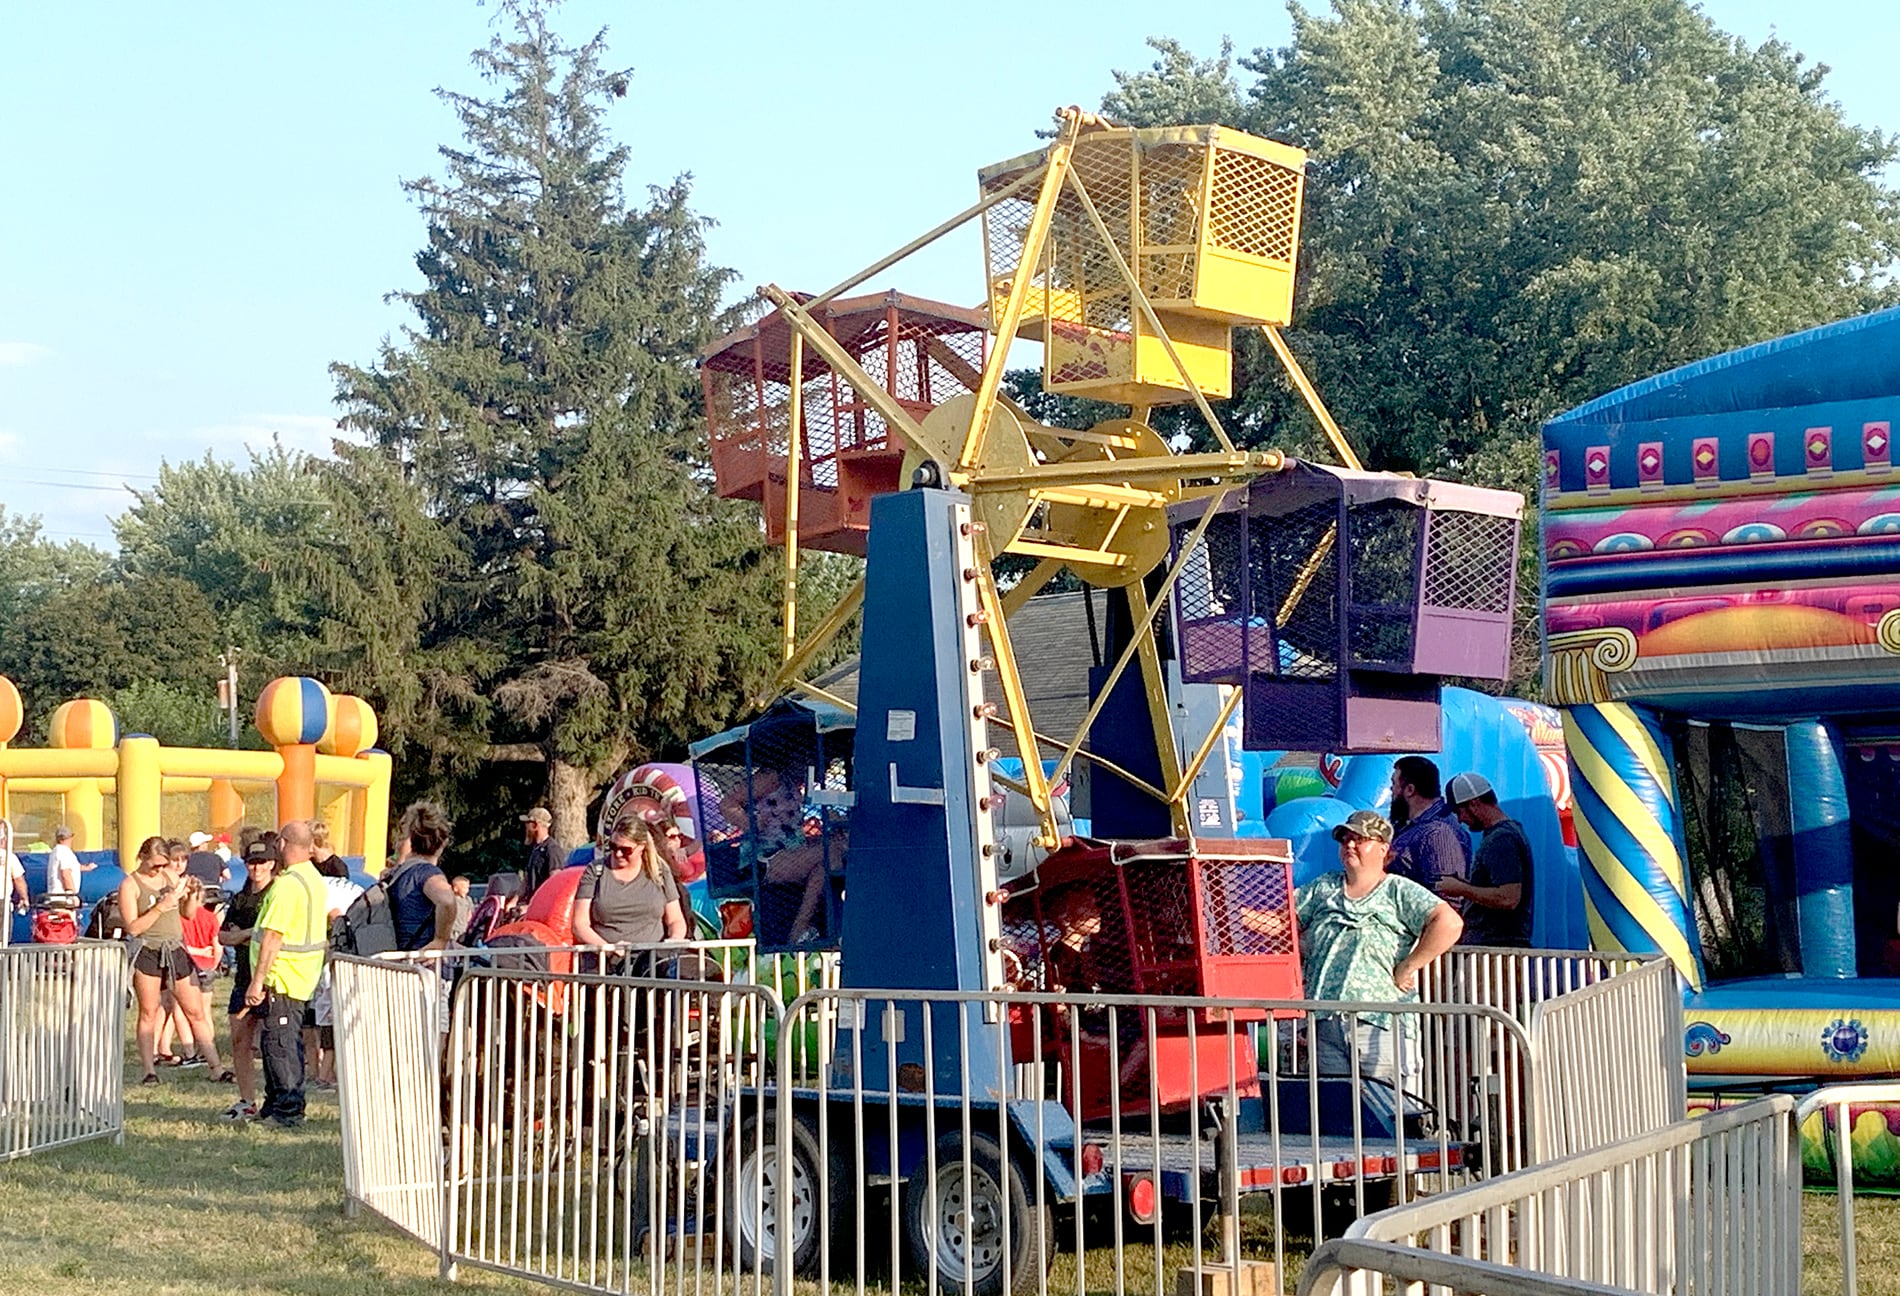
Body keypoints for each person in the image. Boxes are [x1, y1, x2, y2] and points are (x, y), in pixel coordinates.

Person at [1293, 810, 1463, 1085]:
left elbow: (1449, 922)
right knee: (1337, 1115)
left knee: (1389, 1110)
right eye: (1345, 839)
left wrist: (1410, 965)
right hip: (1326, 1022)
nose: (1349, 845)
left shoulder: (1398, 890)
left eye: (1359, 839)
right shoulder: (1322, 887)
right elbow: (1281, 920)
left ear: (1383, 848)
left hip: (1380, 1022)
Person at [119, 836, 228, 1086]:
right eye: (155, 865)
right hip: (148, 950)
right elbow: (133, 928)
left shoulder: (170, 878)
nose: (159, 870)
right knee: (149, 1011)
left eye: (163, 865)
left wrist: (191, 896)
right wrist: (160, 906)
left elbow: (187, 915)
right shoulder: (131, 885)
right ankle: (149, 1070)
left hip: (175, 949)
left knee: (196, 1010)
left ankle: (216, 1067)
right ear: (143, 858)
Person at [244, 820, 329, 1127]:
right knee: (277, 1043)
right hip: (302, 975)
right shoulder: (314, 879)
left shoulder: (287, 884)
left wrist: (258, 981)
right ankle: (276, 1102)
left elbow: (273, 936)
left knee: (281, 1045)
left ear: (282, 844)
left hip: (284, 976)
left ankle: (288, 1110)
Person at [1440, 773, 1534, 948]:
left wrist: (1460, 888)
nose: (1460, 820)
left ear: (1474, 804)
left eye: (1458, 812)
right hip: (1497, 949)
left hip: (1497, 950)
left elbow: (1508, 898)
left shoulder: (1501, 839)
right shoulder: (1506, 833)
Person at [219, 838, 277, 1121]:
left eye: (261, 862)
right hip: (242, 976)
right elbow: (223, 936)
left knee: (272, 1042)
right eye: (251, 863)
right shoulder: (240, 897)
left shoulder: (276, 894)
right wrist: (247, 934)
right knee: (239, 1039)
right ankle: (246, 1099)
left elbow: (271, 935)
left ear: (272, 864)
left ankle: (275, 1098)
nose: (256, 868)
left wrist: (245, 934)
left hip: (271, 978)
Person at [571, 818, 687, 958]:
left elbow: (676, 920)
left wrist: (674, 941)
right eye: (613, 847)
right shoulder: (595, 871)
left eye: (625, 850)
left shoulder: (660, 871)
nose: (618, 854)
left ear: (642, 846)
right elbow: (579, 924)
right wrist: (608, 949)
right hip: (604, 963)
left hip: (651, 962)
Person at [1385, 756, 1470, 892]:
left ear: (1410, 790)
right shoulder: (1410, 824)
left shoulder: (1438, 833)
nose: (1391, 789)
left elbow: (1448, 896)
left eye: (1394, 783)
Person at [386, 802, 461, 954]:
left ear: (411, 838)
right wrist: (441, 940)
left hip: (397, 962)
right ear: (444, 842)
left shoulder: (397, 873)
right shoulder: (426, 873)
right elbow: (446, 900)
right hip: (421, 964)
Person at [520, 807, 563, 896]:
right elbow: (527, 879)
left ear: (535, 825)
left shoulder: (552, 849)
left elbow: (554, 883)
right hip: (530, 903)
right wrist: (514, 901)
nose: (526, 826)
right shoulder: (534, 849)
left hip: (542, 905)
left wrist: (537, 903)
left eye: (528, 823)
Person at [47, 825, 88, 896]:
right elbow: (65, 874)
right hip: (62, 896)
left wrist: (87, 868)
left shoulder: (55, 851)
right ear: (70, 838)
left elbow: (73, 867)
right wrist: (72, 894)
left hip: (55, 894)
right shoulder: (64, 851)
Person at [448, 875, 474, 942]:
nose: (467, 891)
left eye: (468, 888)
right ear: (455, 889)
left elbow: (470, 914)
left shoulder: (468, 899)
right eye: (464, 888)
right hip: (453, 930)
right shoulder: (451, 899)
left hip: (464, 929)